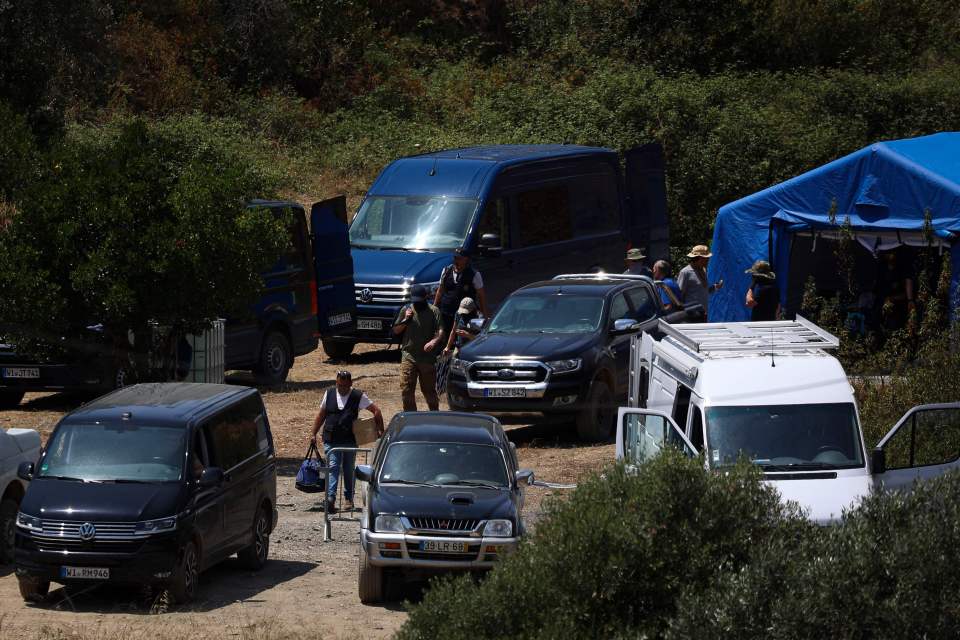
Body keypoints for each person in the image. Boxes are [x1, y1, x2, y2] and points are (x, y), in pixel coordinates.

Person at [309, 370, 384, 512]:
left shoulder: (358, 396)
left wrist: (380, 431)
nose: (342, 389)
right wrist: (313, 433)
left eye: (345, 386)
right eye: (339, 385)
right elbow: (321, 414)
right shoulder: (329, 393)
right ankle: (330, 498)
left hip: (350, 440)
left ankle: (349, 499)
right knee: (333, 467)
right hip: (331, 439)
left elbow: (376, 411)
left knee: (349, 469)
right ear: (336, 383)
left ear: (350, 383)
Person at [394, 283, 445, 411]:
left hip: (427, 358)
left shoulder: (434, 311)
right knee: (406, 390)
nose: (416, 303)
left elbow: (440, 331)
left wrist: (434, 342)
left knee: (429, 391)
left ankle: (434, 415)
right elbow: (396, 330)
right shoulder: (406, 310)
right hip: (409, 356)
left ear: (426, 297)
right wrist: (405, 319)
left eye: (419, 300)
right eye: (414, 300)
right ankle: (411, 417)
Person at [434, 248, 488, 333]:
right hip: (447, 313)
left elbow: (481, 296)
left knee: (462, 339)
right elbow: (440, 291)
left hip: (465, 315)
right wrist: (435, 307)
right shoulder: (446, 271)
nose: (456, 261)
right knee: (445, 334)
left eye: (459, 259)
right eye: (455, 258)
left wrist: (484, 315)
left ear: (466, 259)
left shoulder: (474, 274)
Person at [678, 244, 723, 319]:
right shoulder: (685, 272)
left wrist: (715, 287)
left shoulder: (703, 271)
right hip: (691, 314)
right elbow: (679, 295)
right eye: (706, 259)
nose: (708, 261)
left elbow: (703, 291)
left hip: (703, 313)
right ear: (699, 258)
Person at [873, 250, 915, 332]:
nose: (889, 255)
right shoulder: (881, 269)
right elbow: (877, 290)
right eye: (887, 254)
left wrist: (892, 298)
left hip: (898, 308)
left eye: (891, 253)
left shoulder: (901, 269)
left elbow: (905, 293)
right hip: (883, 306)